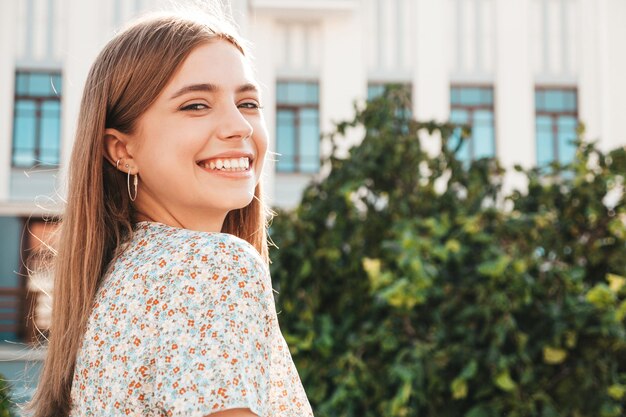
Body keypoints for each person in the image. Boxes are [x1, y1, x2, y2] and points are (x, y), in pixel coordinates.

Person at [29, 8, 314, 417]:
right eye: (196, 105)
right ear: (122, 150)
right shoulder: (213, 266)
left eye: (248, 102)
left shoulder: (115, 282)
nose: (240, 126)